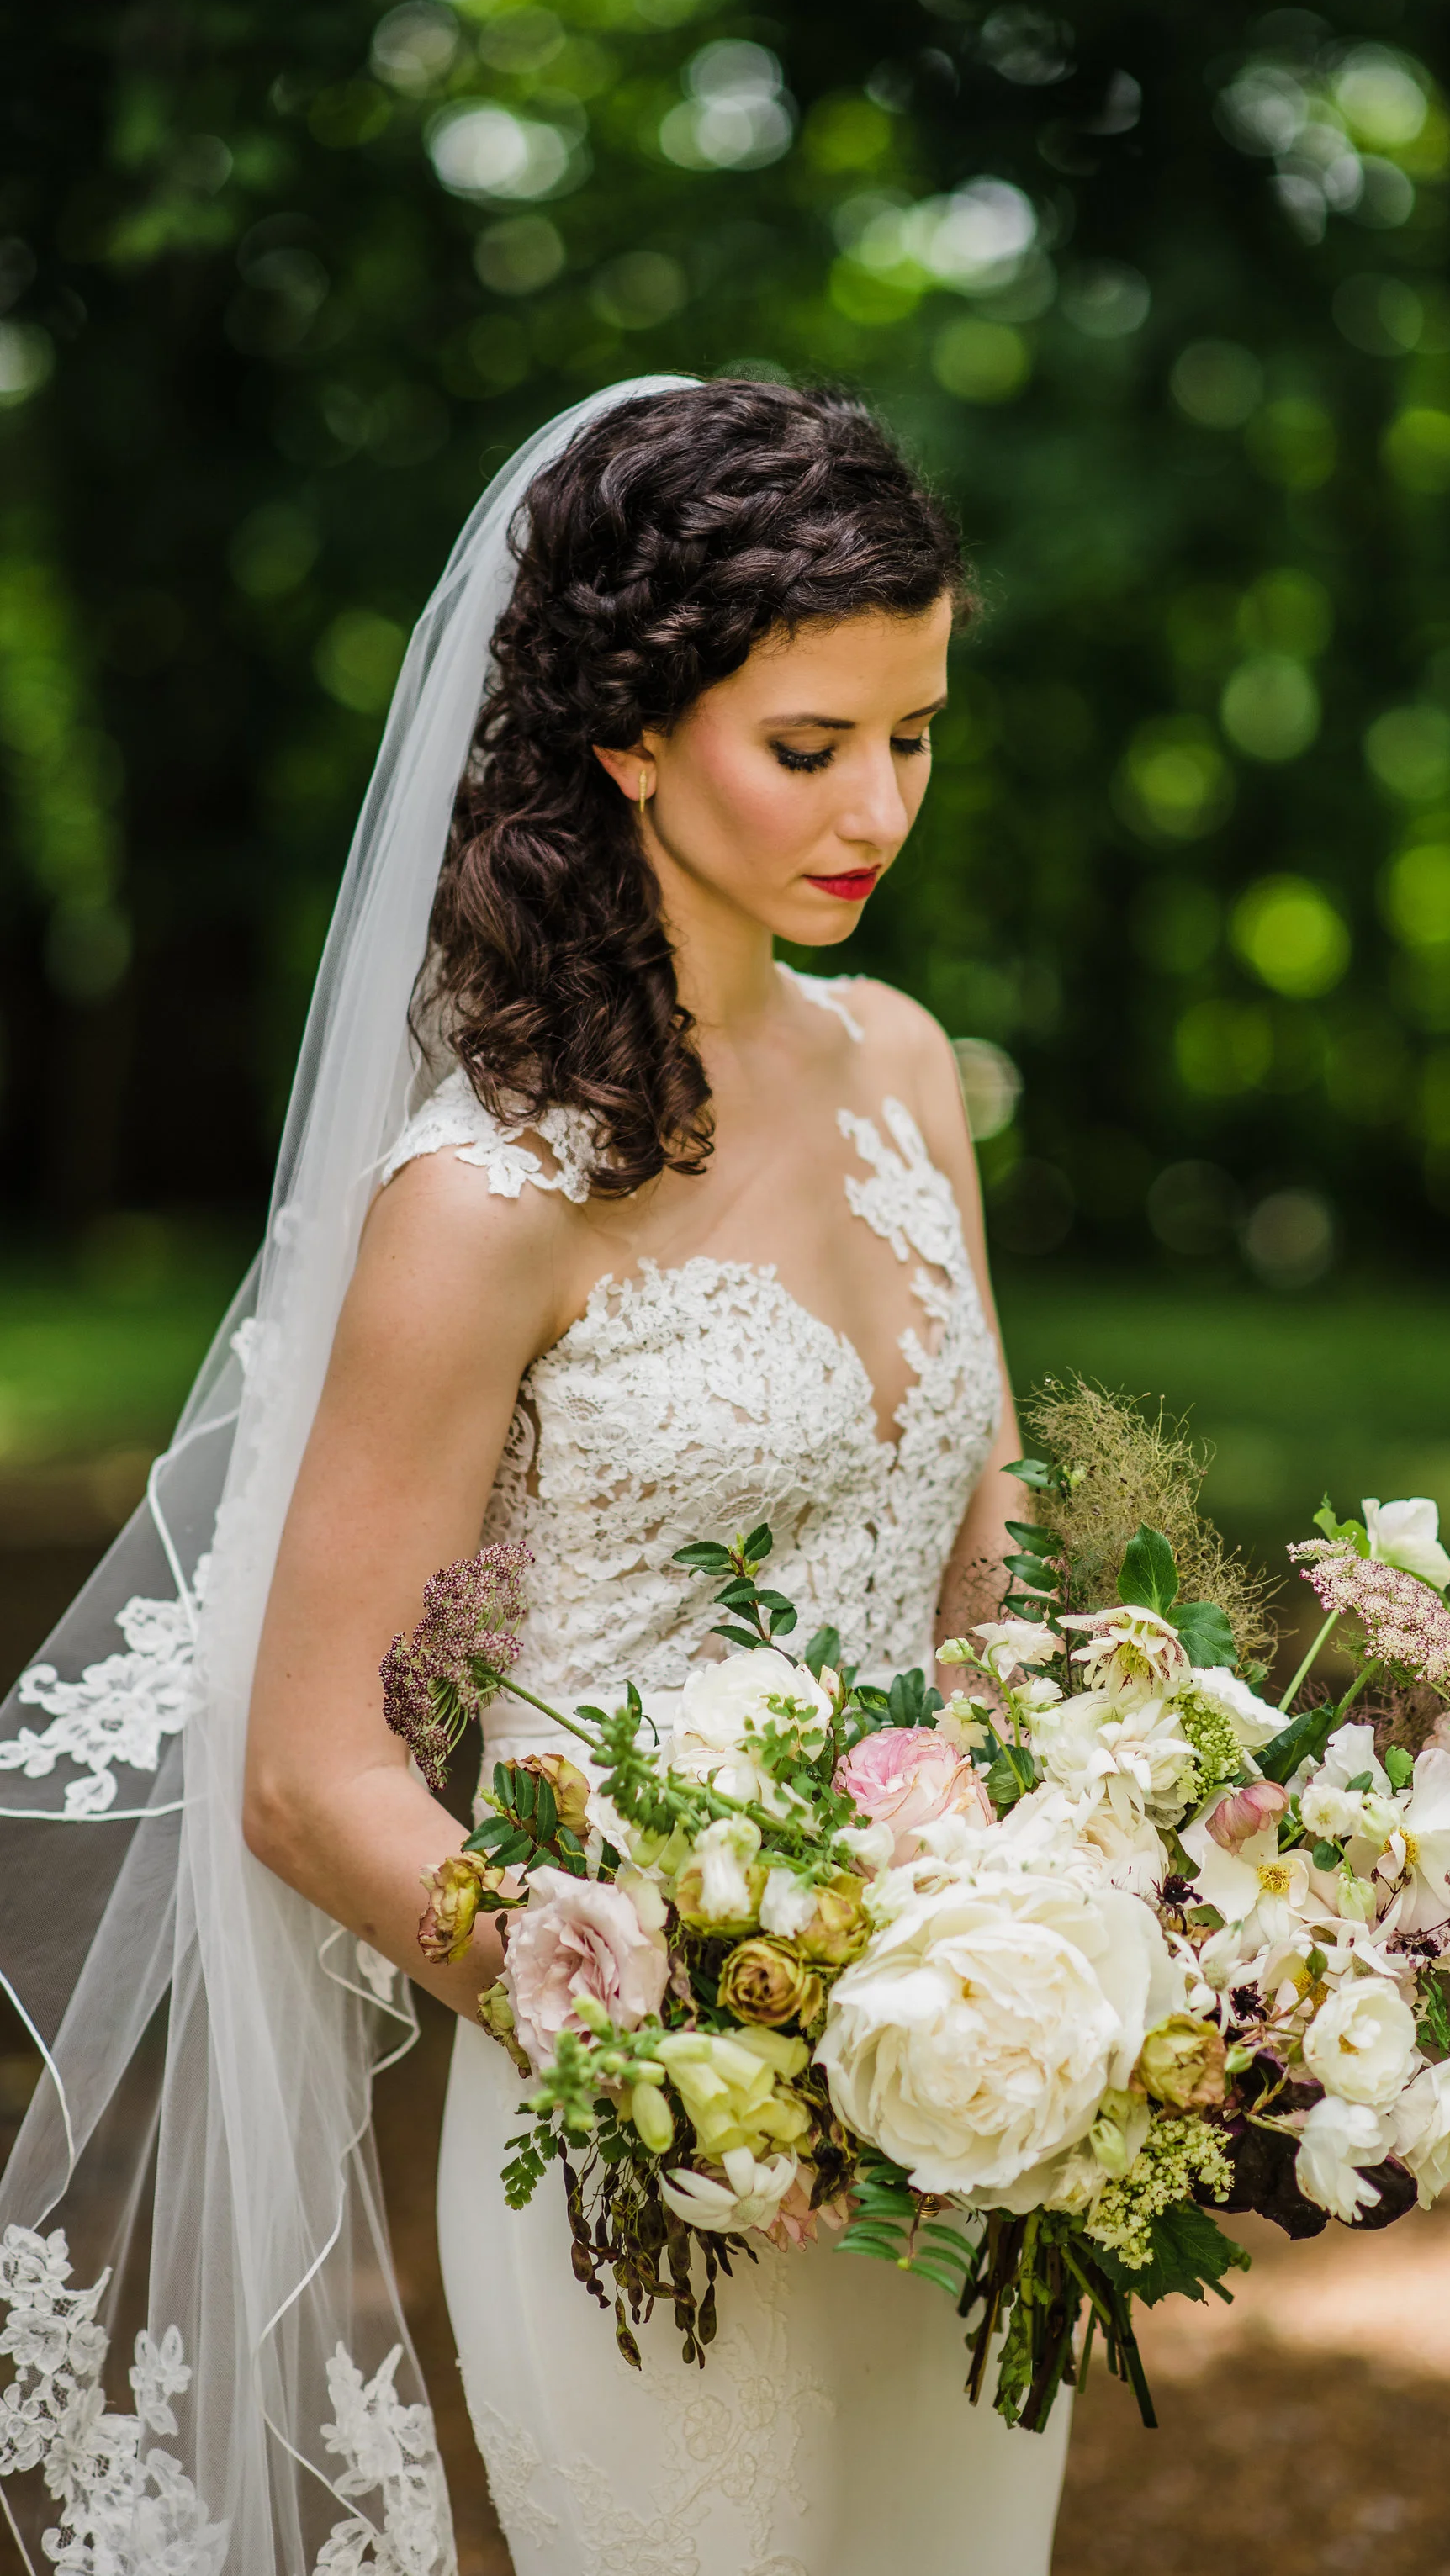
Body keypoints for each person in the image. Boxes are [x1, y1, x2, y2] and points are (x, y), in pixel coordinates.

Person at [0, 378, 1068, 2575]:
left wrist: (1102, 1879)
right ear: (623, 733)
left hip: (972, 2095)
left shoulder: (906, 1068)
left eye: (921, 731)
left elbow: (985, 1557)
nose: (884, 804)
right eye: (812, 744)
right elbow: (307, 1773)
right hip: (637, 2142)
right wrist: (651, 2040)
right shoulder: (486, 1195)